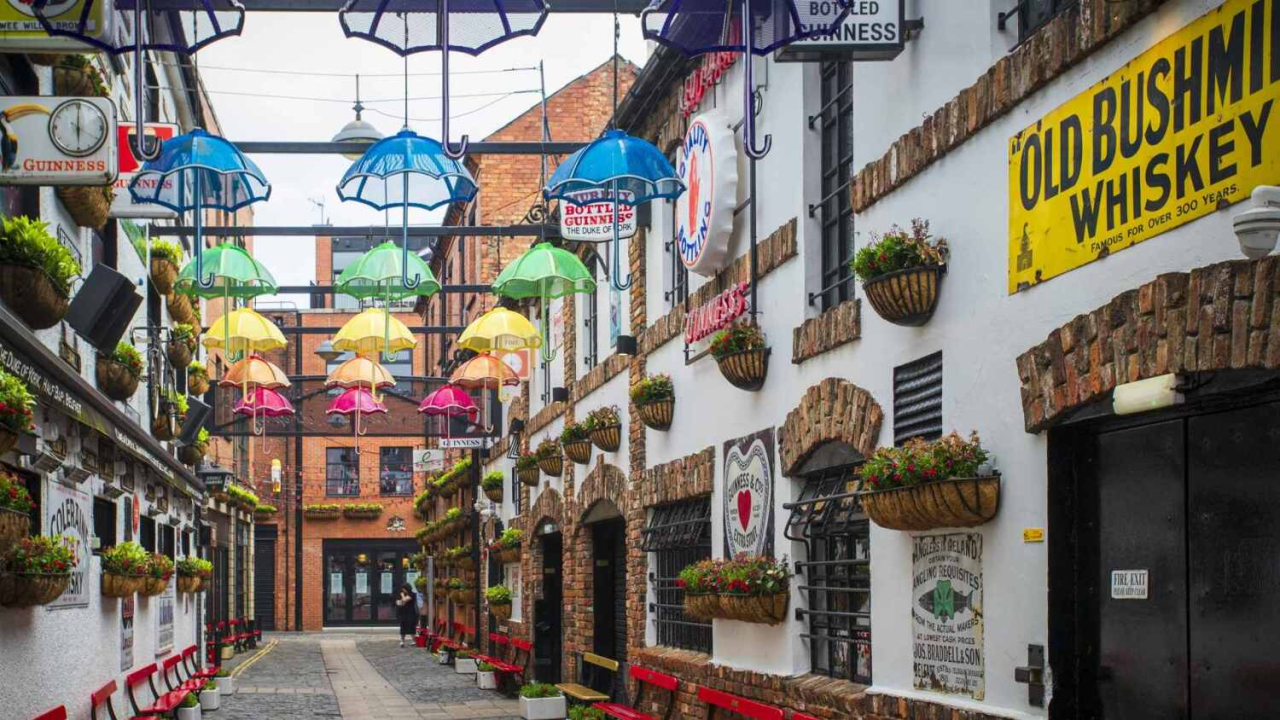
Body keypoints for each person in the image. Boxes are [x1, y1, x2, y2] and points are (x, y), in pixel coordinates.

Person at [395, 583, 418, 647]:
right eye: (402, 589)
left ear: (407, 588)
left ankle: (414, 641)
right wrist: (402, 601)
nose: (403, 590)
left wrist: (403, 597)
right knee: (403, 626)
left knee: (411, 626)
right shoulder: (402, 594)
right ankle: (402, 641)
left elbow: (405, 600)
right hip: (403, 612)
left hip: (411, 612)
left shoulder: (412, 594)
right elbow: (398, 603)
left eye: (404, 589)